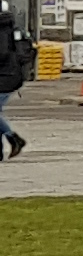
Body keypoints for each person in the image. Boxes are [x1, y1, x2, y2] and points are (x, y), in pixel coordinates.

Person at [0, 8, 31, 159]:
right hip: (10, 75)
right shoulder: (9, 27)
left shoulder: (2, 30)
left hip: (6, 77)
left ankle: (13, 138)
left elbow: (2, 54)